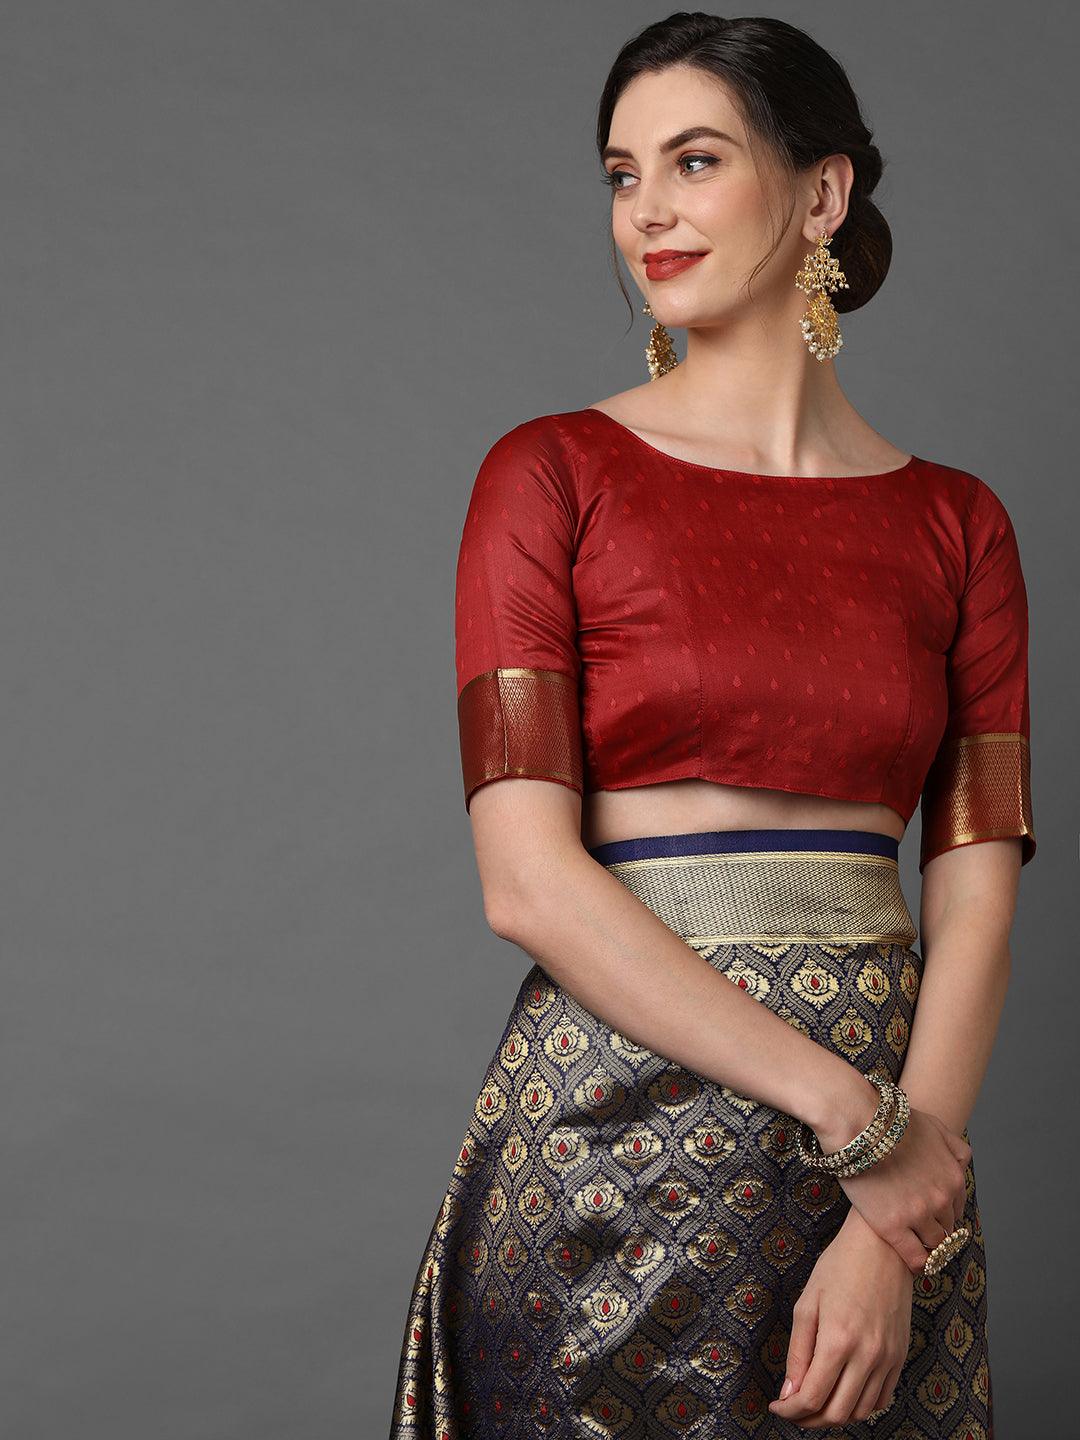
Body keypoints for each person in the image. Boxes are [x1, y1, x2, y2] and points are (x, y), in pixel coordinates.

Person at [388, 14, 1034, 1438]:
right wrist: (859, 1125)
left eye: (694, 161)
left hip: (887, 1173)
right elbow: (526, 884)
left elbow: (978, 902)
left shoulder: (959, 525)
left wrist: (890, 1222)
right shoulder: (549, 476)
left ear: (822, 193)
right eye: (622, 175)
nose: (647, 213)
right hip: (607, 1145)